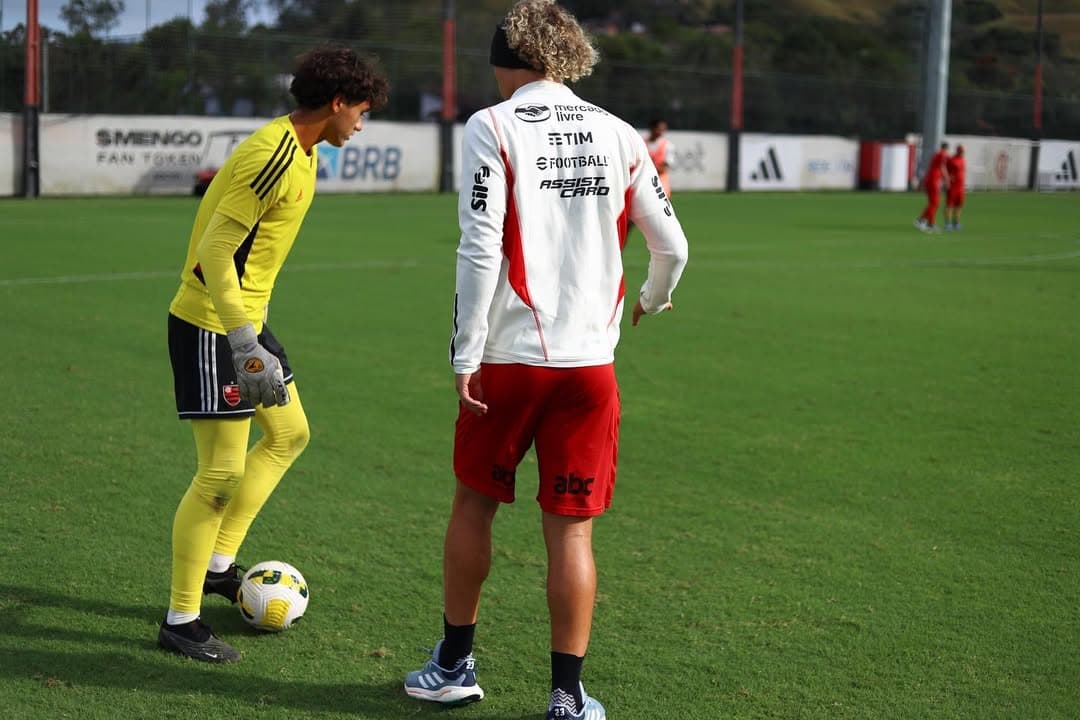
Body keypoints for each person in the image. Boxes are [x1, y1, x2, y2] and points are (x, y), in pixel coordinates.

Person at [402, 2, 689, 719]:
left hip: (508, 358)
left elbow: (479, 244)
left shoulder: (491, 126)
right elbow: (673, 247)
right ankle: (567, 697)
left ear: (507, 63)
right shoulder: (622, 133)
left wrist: (465, 352)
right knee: (572, 528)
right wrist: (653, 300)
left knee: (475, 503)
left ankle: (454, 665)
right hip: (590, 368)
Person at [159, 46, 389, 663]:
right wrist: (242, 344)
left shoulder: (307, 155)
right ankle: (181, 619)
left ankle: (216, 567)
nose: (362, 125)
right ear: (337, 103)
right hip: (214, 325)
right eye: (360, 112)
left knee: (289, 434)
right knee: (219, 475)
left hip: (247, 324)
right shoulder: (272, 155)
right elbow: (215, 251)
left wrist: (253, 335)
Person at [915, 141, 950, 232]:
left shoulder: (937, 154)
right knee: (935, 203)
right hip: (934, 180)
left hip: (930, 179)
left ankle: (930, 223)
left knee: (933, 203)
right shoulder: (943, 154)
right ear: (946, 148)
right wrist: (947, 179)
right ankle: (921, 220)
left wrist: (921, 182)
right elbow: (942, 167)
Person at [645, 118, 674, 200]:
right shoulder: (641, 143)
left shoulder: (668, 145)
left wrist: (647, 167)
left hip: (661, 185)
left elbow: (664, 168)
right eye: (658, 129)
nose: (661, 132)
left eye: (663, 129)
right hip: (643, 183)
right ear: (651, 128)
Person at [944, 144, 966, 230]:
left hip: (960, 187)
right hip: (953, 186)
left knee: (959, 205)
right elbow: (945, 170)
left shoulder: (962, 160)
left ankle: (955, 223)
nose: (962, 152)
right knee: (949, 205)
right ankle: (947, 223)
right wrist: (948, 180)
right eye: (961, 150)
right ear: (957, 150)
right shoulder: (951, 159)